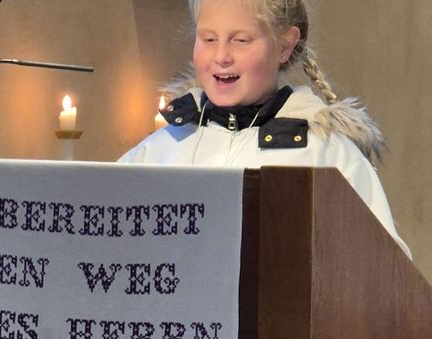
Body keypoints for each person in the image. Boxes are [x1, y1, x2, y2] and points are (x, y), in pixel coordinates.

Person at [120, 0, 410, 257]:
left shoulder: (328, 156)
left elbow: (385, 271)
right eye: (208, 38)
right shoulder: (158, 152)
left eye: (241, 40)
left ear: (284, 45)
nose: (221, 56)